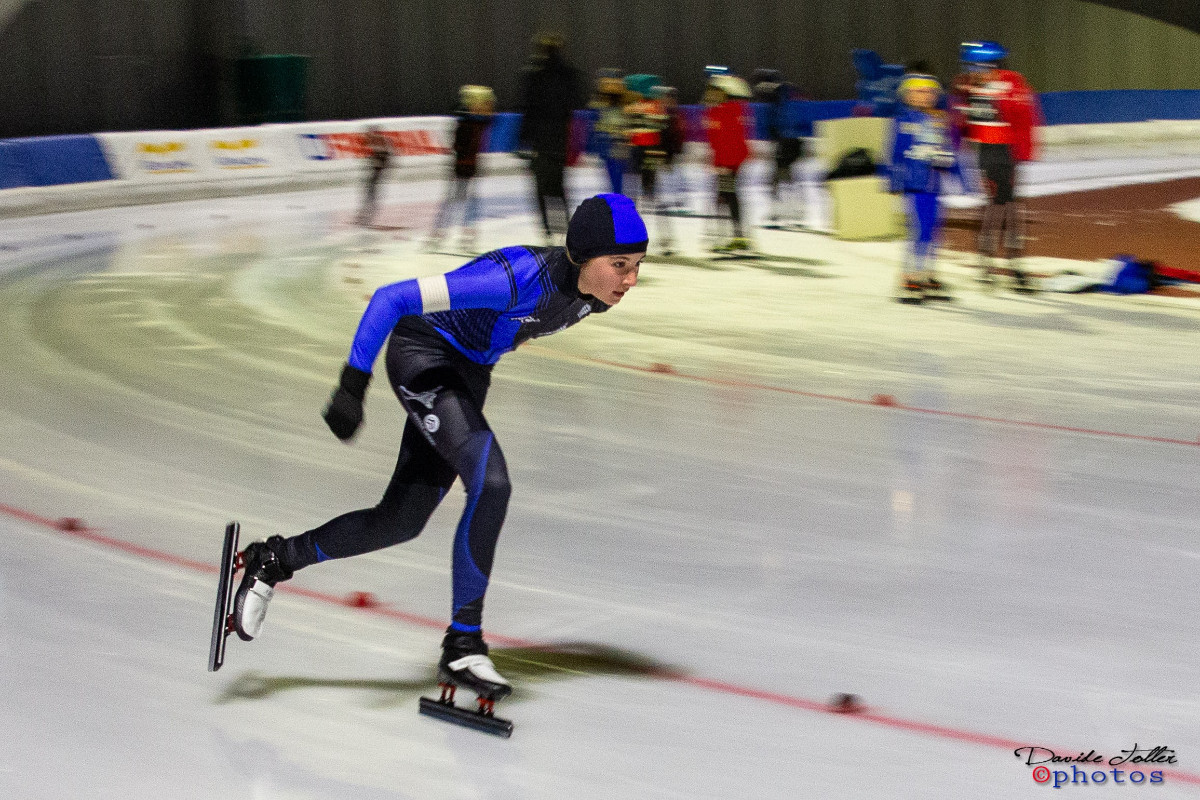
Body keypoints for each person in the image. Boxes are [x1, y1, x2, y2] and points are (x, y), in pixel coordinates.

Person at [231, 194, 649, 701]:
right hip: (424, 353)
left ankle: (274, 558)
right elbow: (391, 298)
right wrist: (351, 386)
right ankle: (462, 645)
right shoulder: (513, 277)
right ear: (582, 256)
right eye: (619, 264)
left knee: (400, 520)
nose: (630, 279)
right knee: (491, 483)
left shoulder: (592, 297)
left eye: (637, 265)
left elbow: (518, 328)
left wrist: (495, 345)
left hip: (468, 374)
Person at [952, 41, 1042, 291]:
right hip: (987, 151)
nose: (971, 72)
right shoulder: (968, 86)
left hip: (1008, 151)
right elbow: (960, 121)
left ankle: (1011, 261)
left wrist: (1024, 150)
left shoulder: (1012, 82)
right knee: (996, 204)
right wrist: (956, 144)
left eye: (974, 67)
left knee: (1010, 205)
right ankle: (989, 260)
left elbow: (1026, 116)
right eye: (969, 67)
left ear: (989, 66)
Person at [889, 75, 968, 302]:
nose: (926, 96)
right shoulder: (902, 122)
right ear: (908, 96)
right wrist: (894, 182)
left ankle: (928, 274)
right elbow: (894, 154)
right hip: (915, 185)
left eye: (930, 92)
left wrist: (959, 176)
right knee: (919, 231)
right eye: (920, 92)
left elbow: (949, 151)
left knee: (934, 231)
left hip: (935, 186)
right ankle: (910, 276)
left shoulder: (939, 121)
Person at [518, 33, 585, 245]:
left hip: (540, 142)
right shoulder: (569, 75)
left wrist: (524, 141)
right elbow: (576, 104)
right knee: (558, 188)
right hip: (560, 140)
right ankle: (564, 229)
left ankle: (548, 231)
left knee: (541, 189)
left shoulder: (534, 75)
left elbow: (528, 110)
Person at [427, 85, 495, 254]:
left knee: (460, 203)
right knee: (460, 203)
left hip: (466, 167)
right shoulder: (467, 124)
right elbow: (459, 145)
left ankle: (445, 237)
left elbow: (488, 119)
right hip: (463, 168)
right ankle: (444, 237)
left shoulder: (473, 122)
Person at [622, 74, 675, 255]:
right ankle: (665, 238)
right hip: (649, 154)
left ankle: (632, 237)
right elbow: (663, 134)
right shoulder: (657, 108)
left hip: (639, 154)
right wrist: (664, 155)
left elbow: (628, 133)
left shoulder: (634, 108)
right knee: (652, 196)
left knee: (637, 198)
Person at [702, 73, 753, 252]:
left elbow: (727, 140)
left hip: (728, 163)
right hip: (728, 162)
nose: (710, 94)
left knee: (727, 197)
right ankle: (736, 236)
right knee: (727, 197)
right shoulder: (729, 109)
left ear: (724, 93)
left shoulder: (725, 110)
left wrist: (723, 165)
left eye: (715, 91)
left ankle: (733, 237)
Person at [753, 68, 808, 228]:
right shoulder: (784, 93)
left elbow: (775, 118)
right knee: (785, 178)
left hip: (786, 142)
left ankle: (784, 211)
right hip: (791, 141)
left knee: (777, 180)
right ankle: (796, 211)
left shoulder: (776, 93)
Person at [588, 68, 630, 195]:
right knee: (616, 175)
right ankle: (618, 196)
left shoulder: (601, 103)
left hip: (612, 143)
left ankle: (618, 196)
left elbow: (595, 123)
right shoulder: (606, 103)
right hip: (613, 142)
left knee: (615, 175)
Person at [357, 126, 393, 227]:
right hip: (378, 167)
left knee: (371, 190)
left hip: (379, 167)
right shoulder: (376, 141)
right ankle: (366, 213)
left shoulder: (380, 141)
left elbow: (385, 157)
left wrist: (378, 164)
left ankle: (367, 214)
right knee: (370, 190)